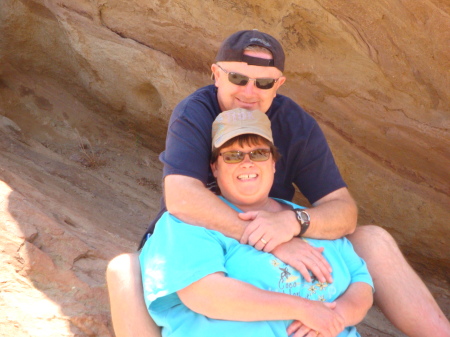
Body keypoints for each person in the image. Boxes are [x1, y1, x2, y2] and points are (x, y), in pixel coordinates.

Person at [107, 30, 450, 337]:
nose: (249, 92)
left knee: (373, 239)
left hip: (278, 223)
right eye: (238, 78)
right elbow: (182, 198)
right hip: (210, 227)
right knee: (124, 271)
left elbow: (343, 211)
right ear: (216, 75)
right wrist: (269, 241)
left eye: (263, 82)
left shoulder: (295, 123)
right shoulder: (194, 112)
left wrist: (292, 224)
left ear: (279, 84)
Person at [140, 109, 374, 337]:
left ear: (274, 163)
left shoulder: (305, 219)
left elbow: (360, 282)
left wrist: (336, 318)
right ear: (214, 167)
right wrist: (304, 309)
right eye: (232, 155)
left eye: (259, 153)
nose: (247, 163)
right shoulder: (190, 220)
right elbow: (205, 294)